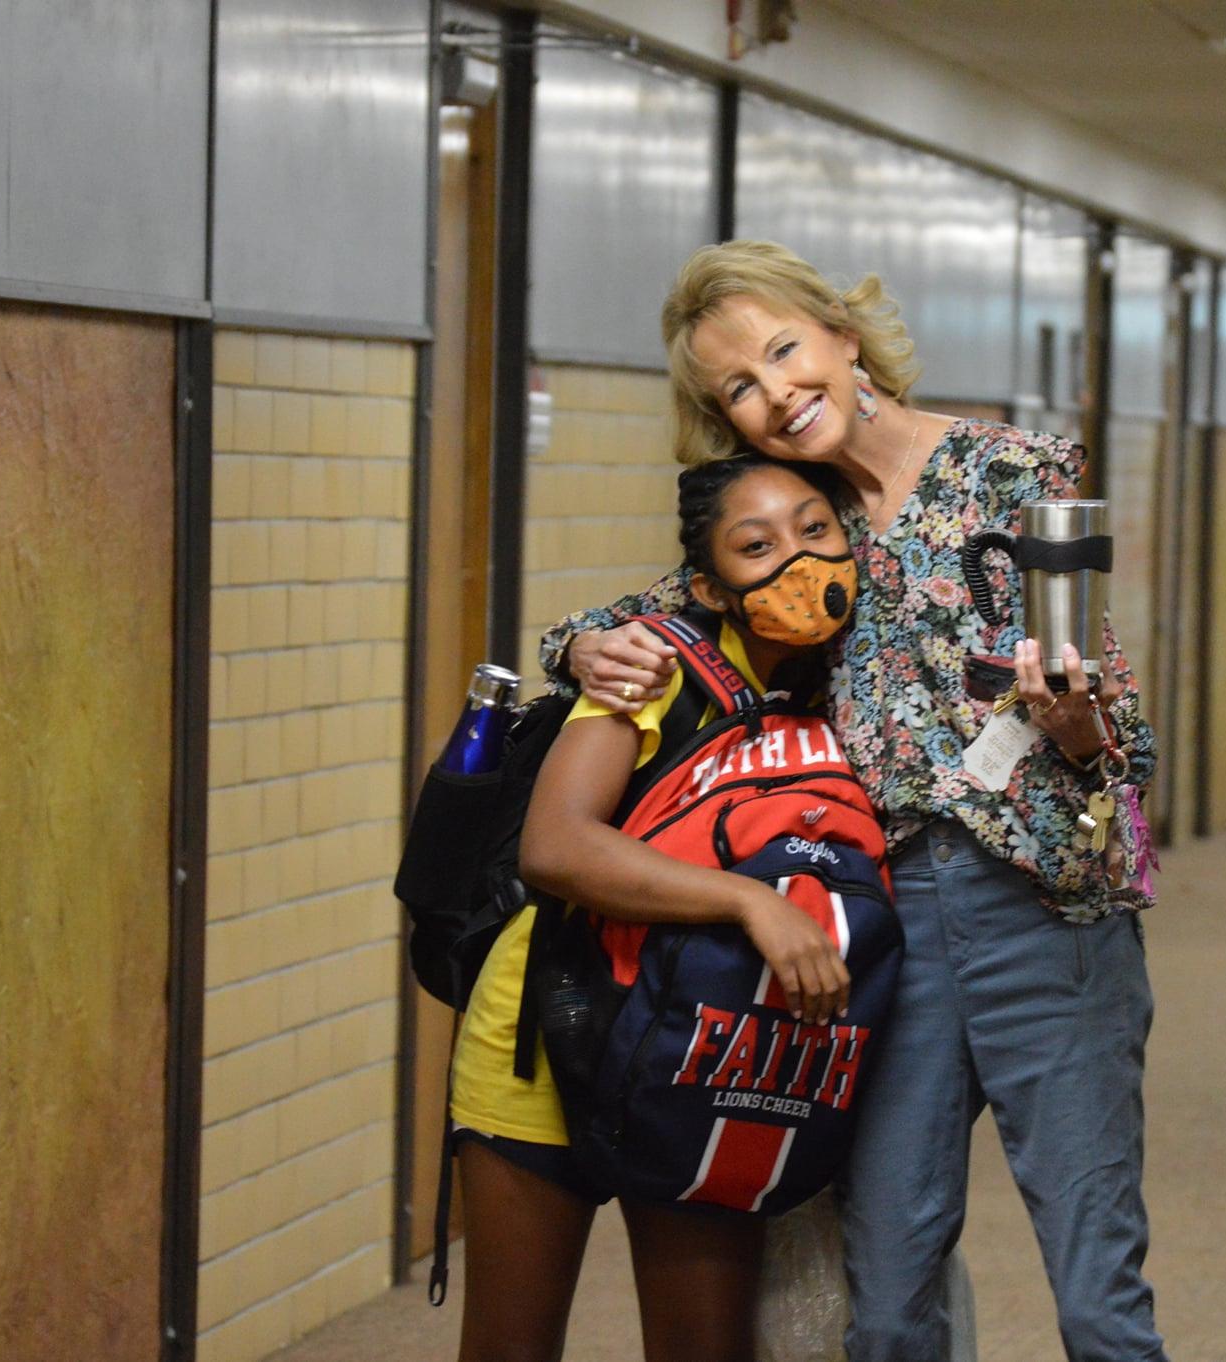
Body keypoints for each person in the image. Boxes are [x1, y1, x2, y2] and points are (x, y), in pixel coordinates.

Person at [539, 240, 1167, 1362]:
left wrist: (1078, 725)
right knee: (884, 1301)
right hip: (888, 921)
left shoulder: (1008, 470)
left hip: (1045, 913)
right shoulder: (792, 517)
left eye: (785, 351)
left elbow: (1123, 736)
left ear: (842, 335)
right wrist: (583, 646)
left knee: (1096, 1301)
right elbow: (649, 613)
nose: (777, 393)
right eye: (739, 386)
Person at [447, 453, 863, 1362]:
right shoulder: (653, 667)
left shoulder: (863, 696)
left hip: (704, 1052)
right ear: (710, 586)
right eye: (758, 546)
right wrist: (749, 904)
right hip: (548, 1036)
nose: (798, 560)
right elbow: (556, 846)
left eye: (814, 530)